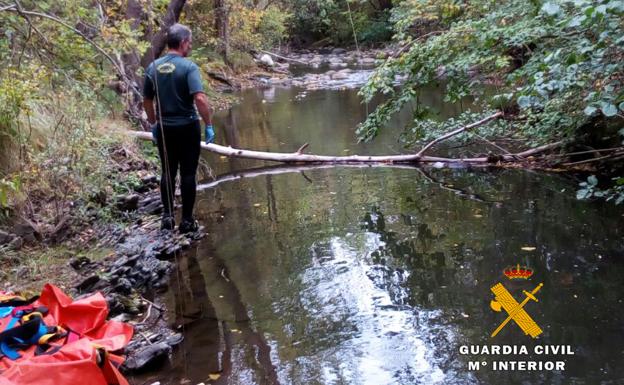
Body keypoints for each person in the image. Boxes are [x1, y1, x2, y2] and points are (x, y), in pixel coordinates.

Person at [143, 23, 215, 232]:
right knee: (188, 174)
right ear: (183, 42)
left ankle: (167, 217)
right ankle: (186, 221)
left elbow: (147, 101)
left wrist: (154, 123)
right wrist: (209, 124)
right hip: (187, 127)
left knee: (168, 171)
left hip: (165, 129)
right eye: (190, 42)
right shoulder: (188, 67)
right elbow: (200, 98)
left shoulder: (153, 67)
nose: (190, 46)